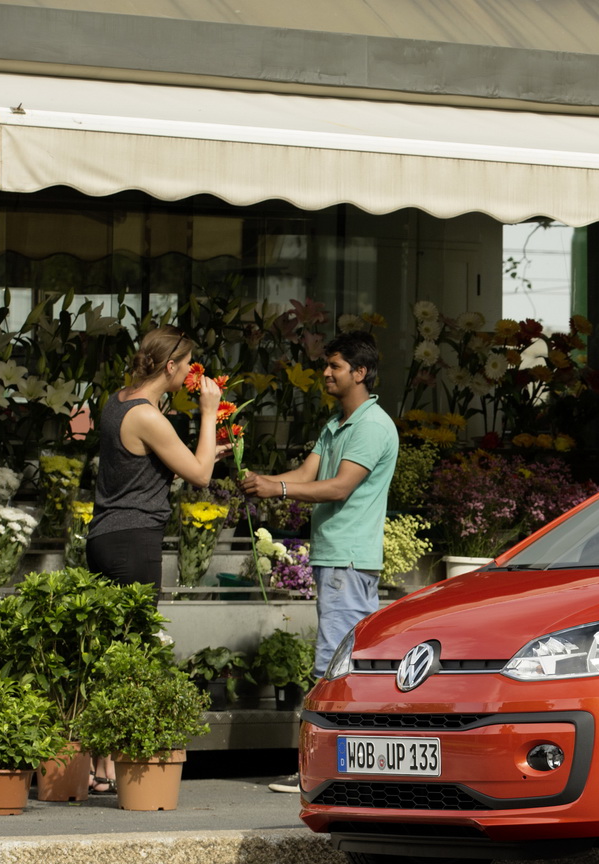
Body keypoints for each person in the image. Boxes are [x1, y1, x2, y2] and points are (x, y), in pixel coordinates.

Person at [243, 330, 397, 794]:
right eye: (326, 365)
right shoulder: (337, 423)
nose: (325, 374)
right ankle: (350, 766)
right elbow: (308, 473)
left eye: (334, 366)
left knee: (334, 665)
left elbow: (338, 487)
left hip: (347, 559)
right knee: (349, 663)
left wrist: (278, 489)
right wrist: (263, 481)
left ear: (360, 372)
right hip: (337, 559)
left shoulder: (371, 426)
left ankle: (322, 771)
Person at [85, 325, 221, 793]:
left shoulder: (118, 401)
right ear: (171, 365)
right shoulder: (148, 415)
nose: (191, 373)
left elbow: (144, 467)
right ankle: (116, 766)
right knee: (133, 652)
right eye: (188, 365)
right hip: (134, 541)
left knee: (110, 649)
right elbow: (200, 475)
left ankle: (100, 764)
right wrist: (209, 414)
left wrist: (199, 448)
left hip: (105, 537)